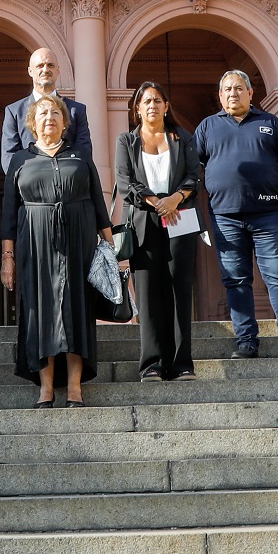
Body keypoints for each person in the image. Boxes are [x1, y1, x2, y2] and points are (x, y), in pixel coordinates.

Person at [1, 91, 113, 407]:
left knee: (77, 308)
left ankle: (75, 386)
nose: (49, 117)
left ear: (64, 122)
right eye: (43, 114)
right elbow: (9, 212)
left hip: (79, 241)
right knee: (41, 311)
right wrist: (7, 257)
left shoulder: (79, 155)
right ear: (32, 124)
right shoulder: (20, 160)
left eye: (55, 113)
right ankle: (46, 386)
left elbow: (98, 203)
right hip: (34, 245)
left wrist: (109, 246)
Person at [193, 69, 278, 360]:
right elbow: (192, 172)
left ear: (250, 93)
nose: (233, 93)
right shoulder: (207, 127)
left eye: (239, 88)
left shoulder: (271, 123)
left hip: (269, 214)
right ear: (220, 96)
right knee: (235, 280)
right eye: (227, 89)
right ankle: (246, 341)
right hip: (224, 217)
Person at [115, 81, 201, 382]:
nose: (152, 105)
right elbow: (125, 183)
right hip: (144, 222)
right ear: (137, 109)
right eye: (146, 101)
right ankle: (151, 363)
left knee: (179, 290)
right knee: (149, 293)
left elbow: (194, 176)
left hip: (180, 218)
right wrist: (157, 202)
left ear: (166, 106)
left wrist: (175, 199)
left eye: (157, 100)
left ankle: (181, 364)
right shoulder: (127, 141)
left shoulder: (182, 138)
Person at [0, 48, 90, 167]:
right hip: (29, 182)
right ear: (30, 71)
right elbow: (9, 159)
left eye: (50, 65)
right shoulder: (14, 112)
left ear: (58, 70)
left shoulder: (76, 111)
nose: (45, 70)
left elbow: (84, 154)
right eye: (40, 66)